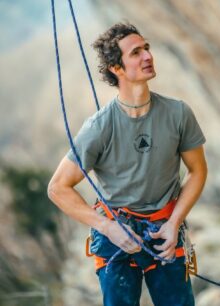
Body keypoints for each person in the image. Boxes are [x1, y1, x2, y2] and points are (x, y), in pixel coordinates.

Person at [48, 22, 208, 306]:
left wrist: (174, 223)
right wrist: (107, 228)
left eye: (146, 48)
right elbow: (58, 187)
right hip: (116, 238)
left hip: (165, 233)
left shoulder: (178, 113)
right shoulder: (99, 127)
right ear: (116, 68)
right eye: (136, 52)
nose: (147, 56)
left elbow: (197, 171)